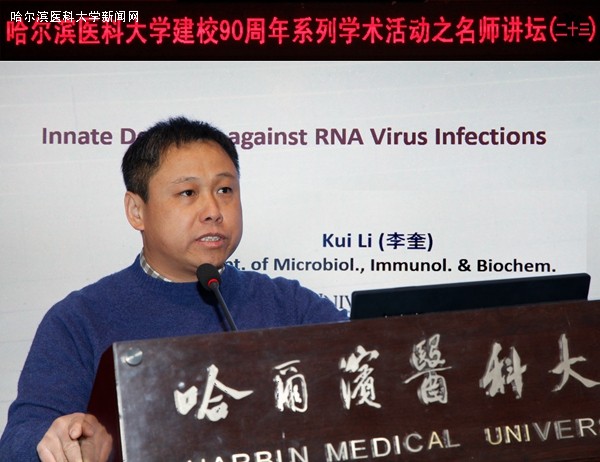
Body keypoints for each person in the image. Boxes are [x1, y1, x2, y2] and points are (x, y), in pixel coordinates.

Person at [0, 116, 348, 461]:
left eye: (225, 190)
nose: (213, 211)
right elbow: (20, 439)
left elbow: (369, 374)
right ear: (136, 210)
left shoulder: (290, 305)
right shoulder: (80, 319)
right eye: (188, 193)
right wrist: (60, 440)